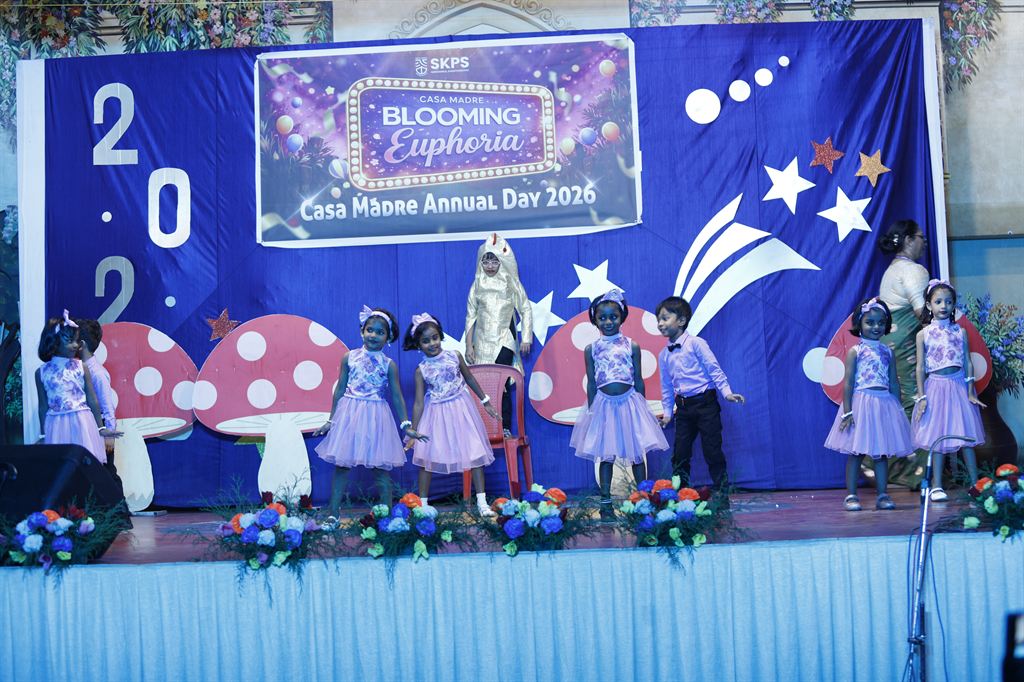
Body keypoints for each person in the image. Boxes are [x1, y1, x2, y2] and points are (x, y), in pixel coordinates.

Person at [313, 306, 426, 518]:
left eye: (380, 332)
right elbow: (340, 389)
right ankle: (333, 513)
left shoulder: (389, 365)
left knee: (380, 469)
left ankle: (388, 517)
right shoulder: (349, 357)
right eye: (370, 330)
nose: (373, 335)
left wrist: (406, 425)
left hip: (376, 417)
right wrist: (331, 420)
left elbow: (397, 396)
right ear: (362, 331)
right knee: (342, 466)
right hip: (349, 415)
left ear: (388, 337)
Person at [570, 291, 668, 516]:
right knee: (606, 456)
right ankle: (605, 503)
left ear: (622, 317)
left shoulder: (632, 345)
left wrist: (643, 408)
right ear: (595, 320)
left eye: (613, 317)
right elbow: (592, 383)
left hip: (630, 405)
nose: (608, 322)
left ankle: (643, 499)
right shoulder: (591, 349)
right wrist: (592, 411)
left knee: (636, 453)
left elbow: (639, 380)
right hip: (604, 406)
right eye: (602, 318)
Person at [403, 313, 499, 517]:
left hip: (461, 410)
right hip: (436, 414)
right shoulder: (421, 370)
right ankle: (423, 505)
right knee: (427, 458)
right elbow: (419, 403)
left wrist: (485, 401)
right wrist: (414, 430)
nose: (432, 343)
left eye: (435, 338)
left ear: (441, 336)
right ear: (418, 344)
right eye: (426, 341)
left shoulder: (455, 355)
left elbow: (470, 378)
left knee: (475, 454)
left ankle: (482, 503)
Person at [824, 298, 913, 511]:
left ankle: (882, 494)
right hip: (861, 404)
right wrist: (847, 412)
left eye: (881, 322)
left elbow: (893, 382)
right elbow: (848, 383)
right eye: (870, 322)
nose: (876, 327)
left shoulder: (887, 352)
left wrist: (898, 410)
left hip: (883, 405)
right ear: (859, 324)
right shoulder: (856, 351)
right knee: (856, 453)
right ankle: (851, 495)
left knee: (881, 454)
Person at [655, 296, 745, 492]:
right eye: (658, 320)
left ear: (681, 320)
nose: (660, 323)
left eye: (665, 318)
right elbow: (667, 386)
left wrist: (727, 393)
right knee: (680, 455)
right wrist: (668, 414)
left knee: (712, 451)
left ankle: (721, 495)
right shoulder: (663, 355)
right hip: (683, 409)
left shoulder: (696, 343)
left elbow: (714, 369)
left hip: (706, 405)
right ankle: (681, 496)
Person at [912, 280, 985, 501]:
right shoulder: (924, 334)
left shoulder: (960, 332)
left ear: (954, 305)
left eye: (949, 302)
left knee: (966, 437)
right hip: (935, 387)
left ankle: (975, 485)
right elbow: (920, 367)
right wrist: (922, 396)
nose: (944, 306)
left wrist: (970, 390)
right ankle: (936, 485)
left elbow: (967, 362)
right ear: (929, 305)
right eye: (938, 302)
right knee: (938, 438)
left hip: (958, 387)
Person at [876, 219, 930, 487]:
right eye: (921, 237)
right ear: (908, 240)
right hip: (907, 346)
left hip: (890, 345)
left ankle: (888, 468)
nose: (924, 243)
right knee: (917, 401)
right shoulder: (913, 270)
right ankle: (917, 474)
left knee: (898, 403)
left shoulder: (892, 270)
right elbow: (923, 313)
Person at [464, 233, 533, 435]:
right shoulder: (477, 284)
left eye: (494, 261)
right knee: (482, 385)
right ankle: (484, 428)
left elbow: (525, 308)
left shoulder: (510, 282)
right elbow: (470, 316)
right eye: (486, 261)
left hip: (504, 340)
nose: (490, 265)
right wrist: (469, 345)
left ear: (502, 261)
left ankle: (505, 427)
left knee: (501, 384)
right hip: (482, 342)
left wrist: (526, 337)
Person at [35, 311, 120, 463]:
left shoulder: (81, 367)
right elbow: (42, 406)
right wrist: (43, 434)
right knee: (61, 465)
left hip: (81, 422)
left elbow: (93, 400)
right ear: (54, 342)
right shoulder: (41, 372)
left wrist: (101, 429)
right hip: (56, 425)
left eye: (76, 341)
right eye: (70, 341)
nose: (76, 345)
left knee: (85, 464)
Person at [74, 318, 117, 467]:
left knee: (107, 472)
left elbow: (107, 406)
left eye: (73, 340)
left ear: (81, 345)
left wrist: (109, 435)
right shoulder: (78, 369)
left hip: (100, 428)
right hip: (88, 427)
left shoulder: (97, 374)